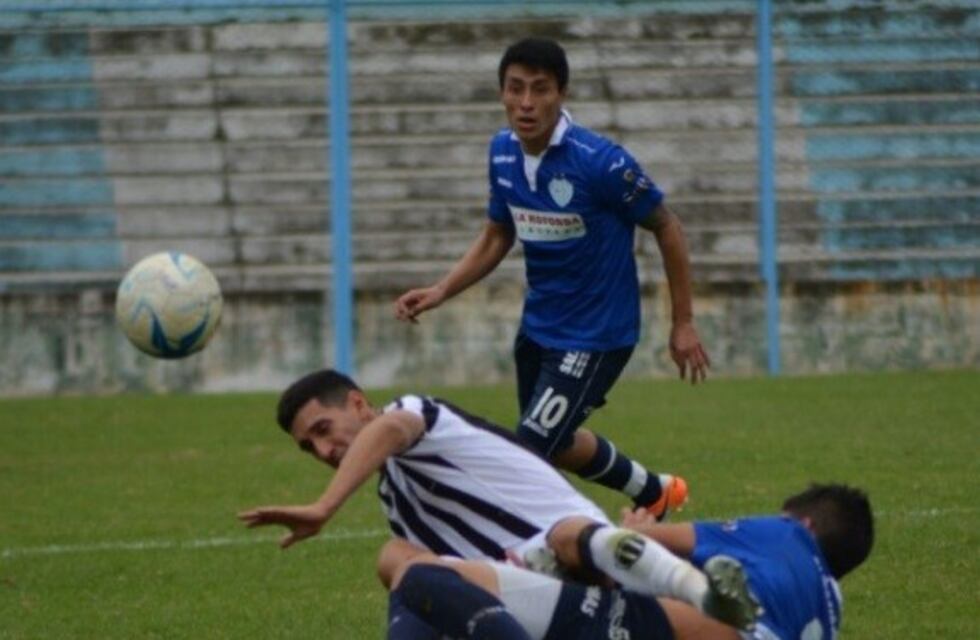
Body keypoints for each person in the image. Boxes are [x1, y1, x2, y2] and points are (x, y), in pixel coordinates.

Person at [394, 36, 709, 516]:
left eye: (539, 89)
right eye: (515, 88)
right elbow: (498, 235)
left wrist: (682, 321)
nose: (526, 103)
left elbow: (667, 225)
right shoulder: (502, 153)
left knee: (528, 452)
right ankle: (653, 492)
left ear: (561, 94)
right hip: (539, 327)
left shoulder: (601, 162)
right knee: (553, 443)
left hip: (597, 334)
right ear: (500, 93)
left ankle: (560, 554)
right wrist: (441, 290)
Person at [238, 368, 692, 635]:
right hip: (530, 604)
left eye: (323, 430)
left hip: (595, 576)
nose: (323, 452)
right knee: (400, 560)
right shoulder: (396, 500)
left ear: (358, 404)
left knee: (565, 536)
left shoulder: (419, 414)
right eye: (308, 448)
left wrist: (324, 508)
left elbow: (391, 430)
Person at [380, 483, 873, 640]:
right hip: (665, 619)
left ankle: (545, 563)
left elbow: (653, 537)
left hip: (695, 627)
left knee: (419, 573)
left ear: (804, 523)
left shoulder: (784, 535)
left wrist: (632, 530)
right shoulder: (831, 605)